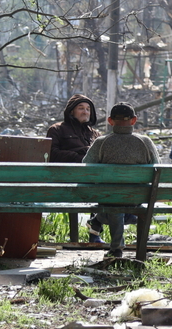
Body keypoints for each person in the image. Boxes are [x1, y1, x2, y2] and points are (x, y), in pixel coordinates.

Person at [82, 102, 161, 258]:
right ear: (134, 120)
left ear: (110, 121)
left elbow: (86, 169)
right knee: (119, 203)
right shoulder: (145, 142)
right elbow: (157, 169)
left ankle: (115, 246)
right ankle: (118, 239)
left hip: (108, 199)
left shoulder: (101, 142)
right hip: (136, 199)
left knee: (114, 202)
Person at [46, 94, 107, 243]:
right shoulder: (57, 129)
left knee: (104, 187)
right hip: (66, 179)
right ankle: (87, 233)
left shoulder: (95, 134)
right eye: (81, 108)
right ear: (71, 111)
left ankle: (95, 232)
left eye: (88, 109)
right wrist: (79, 156)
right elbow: (52, 154)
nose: (85, 112)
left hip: (92, 181)